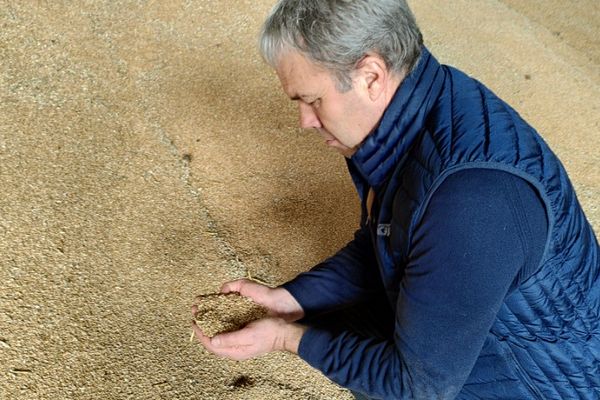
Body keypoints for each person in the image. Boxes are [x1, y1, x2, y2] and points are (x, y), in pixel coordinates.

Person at [191, 1, 600, 398]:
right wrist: (290, 299)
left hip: (537, 383)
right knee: (326, 323)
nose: (305, 122)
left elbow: (419, 387)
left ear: (371, 75)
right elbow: (390, 238)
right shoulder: (430, 100)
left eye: (313, 100)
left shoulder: (470, 201)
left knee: (336, 346)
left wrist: (287, 338)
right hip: (472, 309)